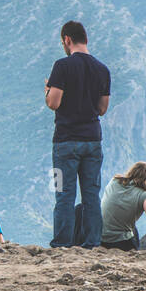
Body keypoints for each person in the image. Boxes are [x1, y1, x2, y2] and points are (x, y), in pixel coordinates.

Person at [45, 20, 110, 248]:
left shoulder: (62, 66)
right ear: (86, 39)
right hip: (93, 141)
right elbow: (102, 108)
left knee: (63, 193)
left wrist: (47, 91)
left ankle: (62, 243)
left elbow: (54, 102)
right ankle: (92, 242)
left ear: (67, 40)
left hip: (64, 142)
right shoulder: (102, 69)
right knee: (91, 195)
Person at [95, 162, 146, 251]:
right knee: (134, 230)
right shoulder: (145, 196)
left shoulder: (114, 181)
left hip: (98, 237)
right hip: (120, 243)